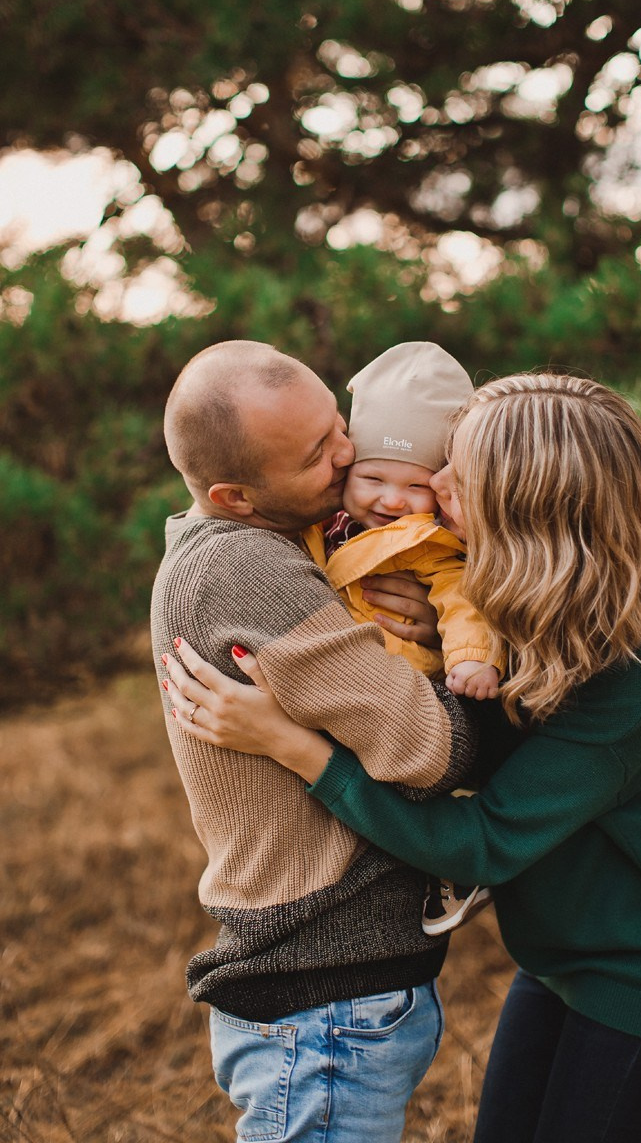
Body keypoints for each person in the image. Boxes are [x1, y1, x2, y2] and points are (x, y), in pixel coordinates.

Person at [164, 372, 641, 1143]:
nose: (429, 484)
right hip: (557, 950)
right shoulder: (539, 585)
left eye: (459, 478)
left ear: (529, 509)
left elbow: (483, 842)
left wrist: (298, 749)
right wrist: (442, 644)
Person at [151, 338, 480, 1143]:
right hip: (323, 999)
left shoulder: (277, 543)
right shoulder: (248, 572)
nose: (347, 455)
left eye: (339, 423)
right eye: (315, 453)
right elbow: (432, 750)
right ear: (234, 494)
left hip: (326, 996)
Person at [318, 339, 502, 704]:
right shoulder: (321, 520)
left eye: (416, 485)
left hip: (399, 676)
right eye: (372, 479)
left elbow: (462, 600)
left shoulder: (429, 542)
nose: (393, 499)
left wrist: (474, 658)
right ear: (348, 469)